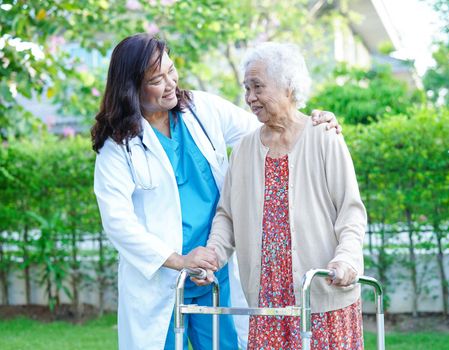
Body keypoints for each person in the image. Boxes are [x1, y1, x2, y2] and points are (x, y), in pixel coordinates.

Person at [91, 34, 341, 350]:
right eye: (157, 80)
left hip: (214, 268)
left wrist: (314, 123)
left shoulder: (201, 108)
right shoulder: (118, 146)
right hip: (161, 277)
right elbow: (118, 223)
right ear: (132, 88)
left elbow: (268, 130)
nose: (170, 83)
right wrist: (180, 260)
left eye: (171, 70)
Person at [203, 42, 367, 349]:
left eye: (258, 87)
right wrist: (213, 254)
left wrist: (346, 259)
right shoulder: (242, 150)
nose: (250, 98)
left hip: (321, 297)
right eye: (246, 88)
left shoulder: (323, 137)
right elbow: (227, 215)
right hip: (268, 304)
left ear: (288, 86)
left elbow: (351, 211)